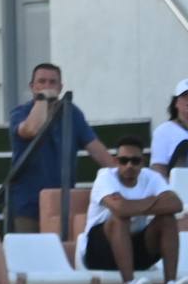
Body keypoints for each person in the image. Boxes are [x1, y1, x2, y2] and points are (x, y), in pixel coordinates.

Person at [82, 136, 188, 284]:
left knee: (167, 219)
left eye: (135, 161)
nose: (129, 166)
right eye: (123, 160)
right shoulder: (104, 177)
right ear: (115, 161)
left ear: (143, 162)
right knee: (120, 218)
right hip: (99, 252)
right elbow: (120, 210)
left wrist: (132, 205)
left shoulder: (152, 177)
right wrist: (152, 201)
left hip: (134, 250)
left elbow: (176, 204)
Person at [8, 62, 115, 232]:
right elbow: (31, 129)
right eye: (41, 82)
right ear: (32, 86)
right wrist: (42, 99)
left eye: (52, 82)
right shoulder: (20, 112)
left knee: (61, 253)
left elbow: (96, 149)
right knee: (29, 254)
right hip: (27, 204)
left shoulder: (72, 113)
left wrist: (120, 173)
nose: (47, 86)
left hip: (61, 202)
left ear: (60, 87)